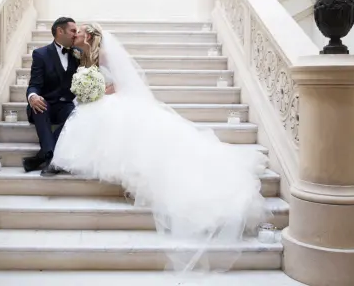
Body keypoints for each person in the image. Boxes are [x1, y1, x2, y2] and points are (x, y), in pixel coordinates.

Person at [51, 23, 270, 271]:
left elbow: (122, 84)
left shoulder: (105, 54)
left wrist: (99, 92)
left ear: (88, 35)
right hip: (103, 98)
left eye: (78, 31)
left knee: (109, 117)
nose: (74, 34)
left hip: (118, 99)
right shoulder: (82, 56)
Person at [23, 17, 79, 177]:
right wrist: (32, 96)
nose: (76, 34)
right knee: (39, 106)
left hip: (66, 104)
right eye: (73, 31)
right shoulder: (41, 54)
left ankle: (44, 155)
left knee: (78, 116)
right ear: (60, 31)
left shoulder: (78, 54)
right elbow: (34, 83)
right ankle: (52, 159)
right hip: (45, 102)